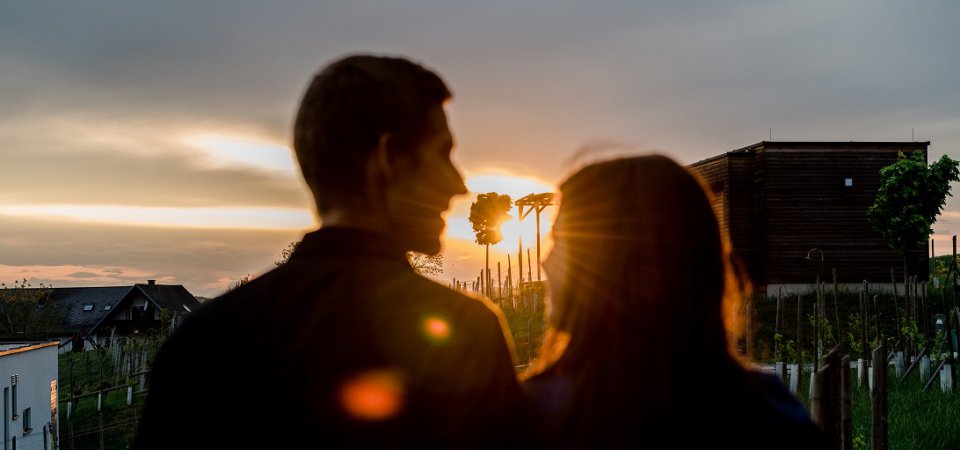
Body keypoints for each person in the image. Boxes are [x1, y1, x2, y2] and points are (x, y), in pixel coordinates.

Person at [135, 54, 535, 449]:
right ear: (388, 158)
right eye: (442, 155)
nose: (458, 184)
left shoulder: (203, 342)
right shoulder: (465, 331)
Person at [523, 155, 829, 449]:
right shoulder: (773, 418)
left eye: (561, 241)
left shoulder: (529, 419)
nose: (545, 261)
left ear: (621, 267)